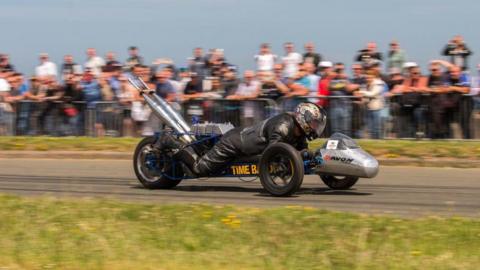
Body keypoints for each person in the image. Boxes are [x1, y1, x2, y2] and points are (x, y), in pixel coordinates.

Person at [175, 102, 327, 177]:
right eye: (313, 123)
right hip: (234, 144)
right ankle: (174, 144)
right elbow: (273, 154)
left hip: (243, 140)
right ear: (303, 117)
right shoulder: (282, 126)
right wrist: (301, 155)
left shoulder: (298, 131)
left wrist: (311, 155)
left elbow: (301, 151)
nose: (314, 127)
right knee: (199, 170)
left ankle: (194, 150)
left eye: (316, 124)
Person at [357, 71, 386, 139]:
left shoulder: (379, 83)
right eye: (367, 77)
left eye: (369, 77)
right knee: (371, 128)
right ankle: (373, 141)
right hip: (368, 108)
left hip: (376, 109)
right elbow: (365, 96)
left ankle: (378, 143)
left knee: (377, 128)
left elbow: (373, 93)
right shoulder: (366, 85)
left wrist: (360, 92)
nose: (368, 79)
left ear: (374, 77)